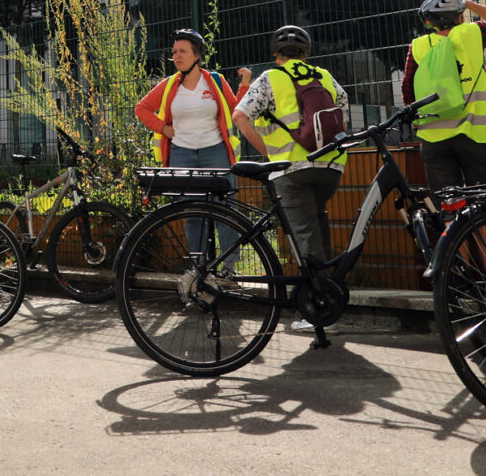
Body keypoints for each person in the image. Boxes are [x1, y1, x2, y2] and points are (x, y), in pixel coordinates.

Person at [232, 25, 348, 332]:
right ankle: (329, 296)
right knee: (318, 220)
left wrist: (269, 154)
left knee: (305, 234)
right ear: (306, 54)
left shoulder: (270, 78)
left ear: (276, 55)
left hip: (291, 169)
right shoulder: (324, 76)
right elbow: (342, 109)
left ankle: (320, 309)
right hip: (331, 167)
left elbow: (239, 116)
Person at [135, 28, 250, 268]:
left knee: (225, 209)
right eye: (174, 51)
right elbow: (141, 109)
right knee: (192, 212)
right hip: (182, 153)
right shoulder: (168, 85)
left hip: (215, 151)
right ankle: (199, 268)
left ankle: (228, 269)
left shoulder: (215, 81)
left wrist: (244, 85)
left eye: (183, 51)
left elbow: (235, 109)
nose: (177, 56)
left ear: (196, 55)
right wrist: (163, 128)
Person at [401, 0, 486, 193]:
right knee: (483, 202)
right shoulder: (472, 33)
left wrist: (417, 121)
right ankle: (485, 225)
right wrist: (467, 3)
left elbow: (408, 88)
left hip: (434, 136)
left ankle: (450, 224)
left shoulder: (417, 46)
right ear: (459, 16)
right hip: (475, 133)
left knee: (448, 204)